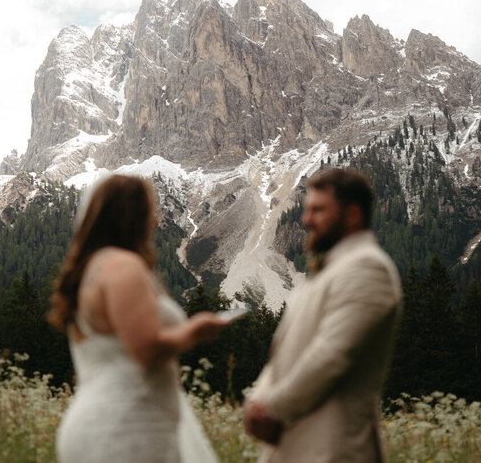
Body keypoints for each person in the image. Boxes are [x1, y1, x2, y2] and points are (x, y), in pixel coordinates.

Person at [49, 174, 228, 463]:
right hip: (128, 426)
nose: (156, 222)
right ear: (130, 216)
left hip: (97, 422)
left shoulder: (91, 269)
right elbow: (146, 349)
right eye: (150, 212)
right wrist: (195, 330)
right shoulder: (123, 266)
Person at [244, 168, 403, 463]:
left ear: (353, 215)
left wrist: (271, 408)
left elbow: (331, 356)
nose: (306, 220)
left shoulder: (369, 269)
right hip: (294, 444)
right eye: (307, 210)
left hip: (333, 448)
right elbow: (285, 353)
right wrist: (256, 400)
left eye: (318, 210)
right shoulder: (328, 270)